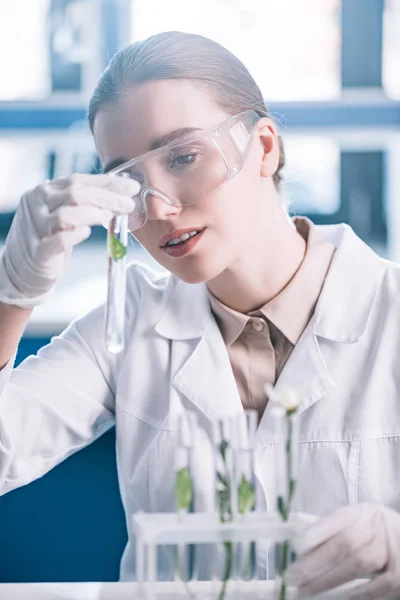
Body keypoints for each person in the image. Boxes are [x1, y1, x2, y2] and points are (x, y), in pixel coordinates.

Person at [0, 31, 399, 598]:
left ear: (264, 147)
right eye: (128, 181)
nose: (158, 208)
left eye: (185, 157)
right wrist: (12, 293)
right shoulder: (132, 320)